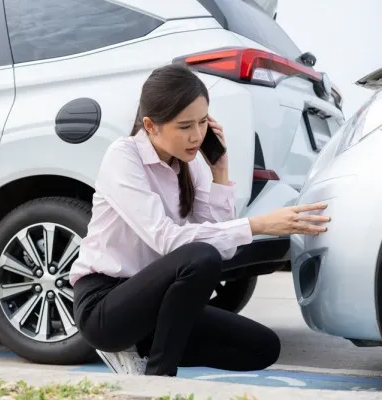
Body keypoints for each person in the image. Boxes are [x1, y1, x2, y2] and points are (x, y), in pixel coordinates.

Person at [68, 63, 330, 377]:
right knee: (199, 257)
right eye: (184, 126)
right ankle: (157, 380)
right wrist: (258, 225)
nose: (196, 136)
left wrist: (220, 171)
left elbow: (223, 250)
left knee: (262, 347)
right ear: (151, 126)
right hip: (106, 307)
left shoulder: (189, 166)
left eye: (203, 122)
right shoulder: (123, 156)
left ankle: (143, 349)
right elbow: (168, 240)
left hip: (158, 307)